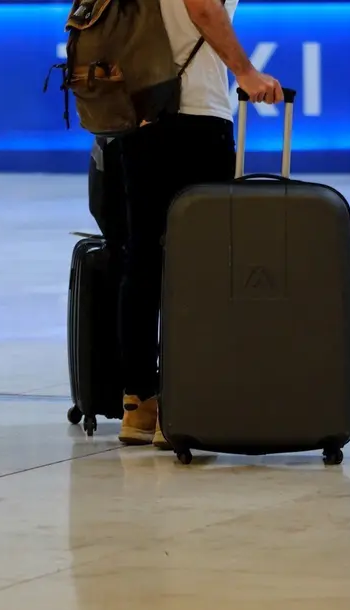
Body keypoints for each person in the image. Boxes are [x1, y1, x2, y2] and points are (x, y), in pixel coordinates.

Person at [115, 0, 284, 448]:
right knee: (199, 265)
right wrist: (245, 71)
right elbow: (203, 7)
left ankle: (139, 404)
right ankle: (184, 405)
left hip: (139, 114)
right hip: (194, 118)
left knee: (143, 256)